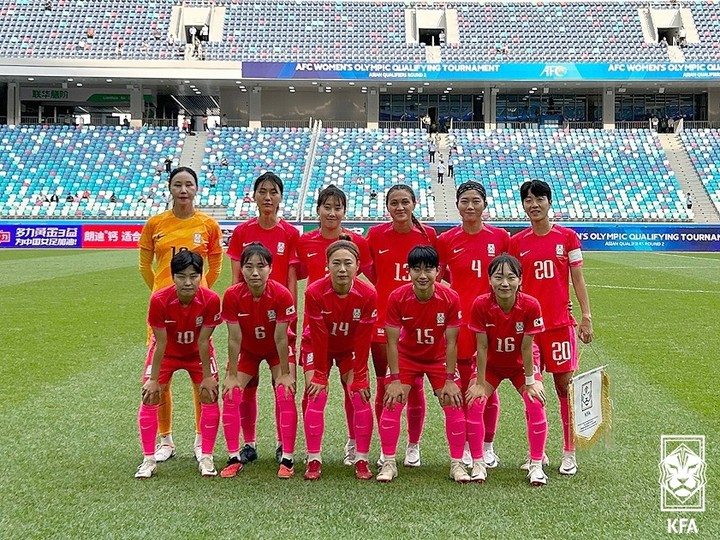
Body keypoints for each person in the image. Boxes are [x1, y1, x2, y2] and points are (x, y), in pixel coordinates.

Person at [138, 166, 224, 464]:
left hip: (196, 308)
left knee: (201, 374)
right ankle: (166, 439)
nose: (183, 190)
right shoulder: (155, 223)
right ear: (170, 188)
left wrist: (201, 292)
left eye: (189, 184)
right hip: (164, 310)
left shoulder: (208, 224)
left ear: (197, 189)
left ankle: (202, 440)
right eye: (178, 184)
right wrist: (162, 292)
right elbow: (144, 265)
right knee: (160, 376)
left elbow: (215, 263)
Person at [509, 179, 593, 476]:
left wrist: (586, 316)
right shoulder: (516, 243)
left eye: (539, 198)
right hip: (529, 331)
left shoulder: (567, 238)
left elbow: (578, 279)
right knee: (533, 389)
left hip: (559, 326)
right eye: (528, 200)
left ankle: (569, 452)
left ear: (549, 202)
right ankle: (538, 451)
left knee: (564, 388)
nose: (534, 204)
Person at [226, 172, 300, 465]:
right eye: (262, 191)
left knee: (282, 383)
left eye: (273, 192)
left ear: (281, 197)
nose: (268, 197)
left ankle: (283, 444)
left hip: (280, 319)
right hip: (247, 318)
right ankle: (249, 443)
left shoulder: (291, 234)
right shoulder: (242, 232)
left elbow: (292, 280)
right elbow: (235, 280)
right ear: (254, 196)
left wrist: (291, 320)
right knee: (248, 385)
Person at [376, 246, 466, 483]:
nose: (423, 275)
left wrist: (449, 379)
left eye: (428, 269)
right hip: (407, 356)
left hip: (438, 358)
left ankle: (457, 464)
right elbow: (392, 343)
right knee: (392, 401)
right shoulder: (397, 297)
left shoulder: (450, 297)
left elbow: (452, 342)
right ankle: (388, 462)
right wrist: (394, 380)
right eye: (417, 269)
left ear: (438, 271)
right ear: (409, 271)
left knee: (453, 402)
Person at [436, 181, 510, 469]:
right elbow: (437, 279)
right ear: (457, 205)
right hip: (458, 324)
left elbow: (513, 277)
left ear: (485, 205)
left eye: (475, 201)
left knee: (487, 387)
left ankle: (487, 446)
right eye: (464, 201)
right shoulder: (446, 241)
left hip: (493, 323)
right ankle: (466, 446)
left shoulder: (501, 237)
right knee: (464, 384)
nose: (470, 206)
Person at [297, 186, 372, 466]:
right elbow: (295, 277)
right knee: (314, 390)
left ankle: (355, 444)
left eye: (337, 207)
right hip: (315, 331)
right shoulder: (304, 242)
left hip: (349, 332)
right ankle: (312, 453)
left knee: (356, 391)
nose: (332, 212)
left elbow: (365, 284)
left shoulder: (357, 243)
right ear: (318, 209)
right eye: (326, 207)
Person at [365, 184, 437, 468]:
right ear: (387, 207)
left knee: (415, 384)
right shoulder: (376, 235)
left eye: (404, 202)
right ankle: (386, 446)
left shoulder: (427, 235)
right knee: (385, 383)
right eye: (394, 203)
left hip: (419, 319)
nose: (399, 208)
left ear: (414, 203)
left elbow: (435, 270)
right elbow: (371, 271)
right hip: (383, 319)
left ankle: (413, 445)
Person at [135, 251, 222, 479]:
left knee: (209, 393)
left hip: (197, 354)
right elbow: (160, 342)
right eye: (182, 276)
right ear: (173, 277)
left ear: (200, 276)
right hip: (167, 353)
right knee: (150, 394)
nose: (188, 282)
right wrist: (154, 380)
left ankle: (205, 453)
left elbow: (204, 340)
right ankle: (148, 458)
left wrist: (207, 376)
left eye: (193, 276)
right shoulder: (159, 300)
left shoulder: (211, 300)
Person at [467, 253, 548, 486]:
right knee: (475, 402)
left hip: (520, 365)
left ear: (520, 280)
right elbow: (481, 347)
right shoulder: (481, 304)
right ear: (489, 280)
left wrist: (532, 381)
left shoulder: (531, 305)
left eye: (511, 277)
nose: (504, 283)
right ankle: (479, 462)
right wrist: (480, 383)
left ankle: (535, 464)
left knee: (535, 401)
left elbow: (527, 347)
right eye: (498, 277)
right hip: (491, 364)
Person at [220, 243, 298, 479]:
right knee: (232, 393)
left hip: (277, 351)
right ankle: (239, 454)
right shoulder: (233, 295)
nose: (255, 272)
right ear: (241, 269)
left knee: (285, 391)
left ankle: (287, 456)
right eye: (249, 266)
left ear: (270, 269)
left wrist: (285, 372)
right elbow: (234, 338)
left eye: (260, 266)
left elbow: (281, 337)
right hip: (248, 351)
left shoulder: (282, 294)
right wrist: (232, 375)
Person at [302, 238, 378, 480]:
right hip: (316, 345)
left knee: (359, 394)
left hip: (350, 349)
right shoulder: (314, 292)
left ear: (357, 266)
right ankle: (313, 458)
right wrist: (321, 375)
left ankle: (361, 458)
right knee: (316, 393)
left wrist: (361, 377)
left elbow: (364, 338)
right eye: (336, 263)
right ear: (327, 265)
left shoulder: (368, 294)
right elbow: (319, 335)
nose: (342, 269)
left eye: (348, 263)